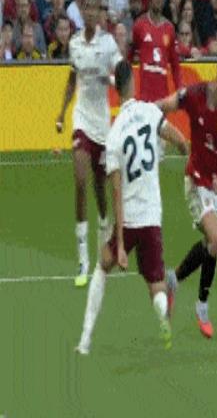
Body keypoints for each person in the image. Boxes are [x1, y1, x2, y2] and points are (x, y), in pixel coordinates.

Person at [75, 60, 189, 355]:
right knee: (156, 285)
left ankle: (85, 340)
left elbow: (116, 191)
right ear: (134, 83)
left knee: (102, 265)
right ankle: (163, 315)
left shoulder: (114, 134)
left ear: (116, 90)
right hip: (153, 216)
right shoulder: (150, 112)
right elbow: (178, 138)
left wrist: (122, 244)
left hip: (129, 219)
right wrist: (183, 150)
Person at [156, 56, 217, 339]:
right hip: (195, 180)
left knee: (212, 245)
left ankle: (174, 279)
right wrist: (147, 113)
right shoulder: (195, 95)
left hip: (215, 186)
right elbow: (166, 104)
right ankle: (202, 306)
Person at [55, 0, 123, 288]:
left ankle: (105, 232)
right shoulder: (74, 43)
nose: (92, 13)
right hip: (82, 120)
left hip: (102, 126)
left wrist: (111, 80)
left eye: (96, 9)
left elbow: (122, 73)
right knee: (80, 180)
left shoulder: (108, 43)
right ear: (82, 12)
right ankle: (82, 257)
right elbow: (72, 80)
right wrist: (61, 113)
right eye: (87, 8)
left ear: (100, 13)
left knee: (100, 189)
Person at [130, 0, 182, 102]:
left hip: (162, 98)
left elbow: (175, 65)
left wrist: (180, 90)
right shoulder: (139, 25)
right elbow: (129, 56)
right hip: (144, 97)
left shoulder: (169, 28)